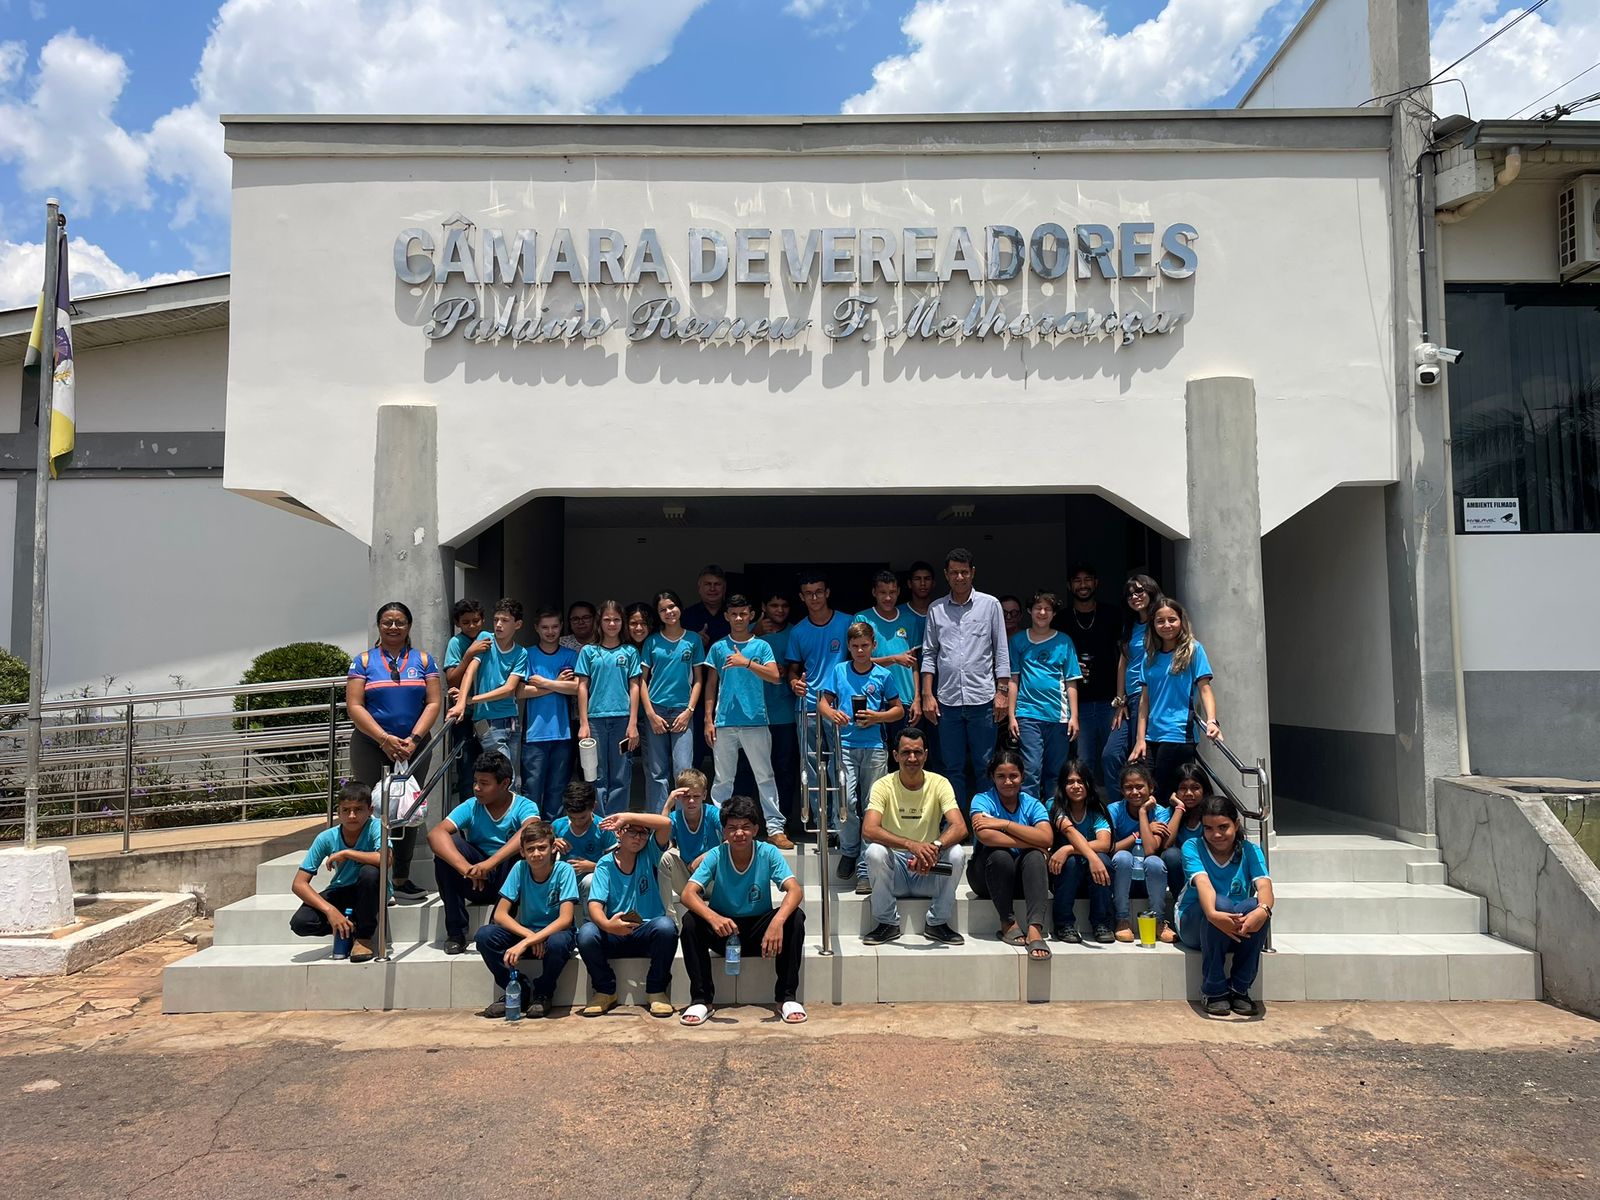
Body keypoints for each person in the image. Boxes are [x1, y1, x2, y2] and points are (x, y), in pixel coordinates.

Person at [678, 795, 808, 1026]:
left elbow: (795, 891)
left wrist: (776, 923)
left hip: (761, 930)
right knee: (690, 921)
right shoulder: (716, 855)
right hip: (724, 929)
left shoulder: (768, 852)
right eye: (733, 828)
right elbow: (688, 894)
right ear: (724, 832)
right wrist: (713, 917)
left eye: (746, 827)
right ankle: (701, 1000)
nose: (739, 833)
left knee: (795, 917)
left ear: (756, 829)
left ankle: (787, 998)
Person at [345, 600, 440, 903]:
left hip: (414, 744)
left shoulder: (424, 660)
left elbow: (434, 702)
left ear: (409, 626)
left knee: (407, 809)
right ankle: (368, 878)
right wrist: (384, 738)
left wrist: (413, 737)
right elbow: (355, 705)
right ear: (379, 626)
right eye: (387, 622)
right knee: (368, 807)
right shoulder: (362, 661)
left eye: (400, 622)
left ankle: (400, 877)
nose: (394, 627)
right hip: (371, 744)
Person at [920, 548, 1011, 814]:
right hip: (947, 702)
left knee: (985, 766)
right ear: (946, 576)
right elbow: (929, 653)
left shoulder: (990, 604)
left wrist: (1002, 692)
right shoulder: (936, 609)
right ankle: (956, 825)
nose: (959, 577)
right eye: (954, 573)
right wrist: (927, 694)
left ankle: (984, 824)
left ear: (972, 573)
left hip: (983, 700)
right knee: (952, 767)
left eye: (964, 572)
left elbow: (1001, 651)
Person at [861, 726, 970, 946]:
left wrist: (934, 848)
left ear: (926, 755)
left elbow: (960, 827)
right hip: (896, 872)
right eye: (906, 752)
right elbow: (869, 829)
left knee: (957, 853)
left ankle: (937, 923)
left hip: (929, 869)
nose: (912, 758)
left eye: (918, 752)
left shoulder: (939, 783)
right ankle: (887, 923)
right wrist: (912, 845)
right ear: (895, 755)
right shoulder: (883, 785)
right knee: (874, 852)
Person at [819, 620, 904, 894]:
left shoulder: (883, 675)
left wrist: (877, 717)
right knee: (846, 799)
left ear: (873, 646)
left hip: (874, 747)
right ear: (848, 647)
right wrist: (832, 714)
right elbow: (823, 702)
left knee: (872, 805)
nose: (859, 651)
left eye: (864, 646)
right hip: (844, 744)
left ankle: (865, 868)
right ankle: (850, 849)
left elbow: (898, 710)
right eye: (854, 646)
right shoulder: (840, 670)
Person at [428, 751, 539, 954]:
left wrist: (491, 863)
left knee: (522, 848)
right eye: (475, 782)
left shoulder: (524, 805)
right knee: (447, 850)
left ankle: (498, 923)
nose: (477, 788)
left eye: (484, 783)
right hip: (476, 880)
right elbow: (435, 834)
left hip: (508, 879)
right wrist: (468, 869)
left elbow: (531, 830)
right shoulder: (472, 806)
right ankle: (456, 932)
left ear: (505, 783)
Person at [704, 594, 792, 848]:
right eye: (734, 614)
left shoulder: (761, 646)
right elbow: (711, 686)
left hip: (756, 720)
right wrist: (708, 720)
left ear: (751, 615)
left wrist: (747, 663)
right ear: (727, 616)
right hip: (724, 722)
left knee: (765, 775)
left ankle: (775, 829)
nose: (739, 618)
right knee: (723, 780)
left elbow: (776, 676)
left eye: (744, 614)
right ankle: (720, 829)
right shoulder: (719, 647)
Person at [1175, 793, 1274, 1016]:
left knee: (1256, 906)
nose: (1216, 834)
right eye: (1209, 828)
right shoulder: (1192, 846)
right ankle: (1213, 990)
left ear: (1236, 825)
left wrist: (1263, 910)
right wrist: (1212, 913)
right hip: (1197, 922)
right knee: (1221, 903)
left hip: (1236, 926)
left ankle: (1239, 988)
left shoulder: (1250, 850)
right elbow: (1204, 884)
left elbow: (1266, 888)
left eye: (1223, 827)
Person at [473, 818, 579, 1019]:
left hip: (556, 933)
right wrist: (530, 936)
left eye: (542, 848)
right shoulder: (519, 868)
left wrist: (531, 940)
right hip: (528, 932)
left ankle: (543, 992)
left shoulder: (564, 870)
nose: (536, 854)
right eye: (530, 849)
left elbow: (565, 919)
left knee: (558, 942)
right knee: (484, 935)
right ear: (522, 852)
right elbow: (500, 915)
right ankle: (517, 988)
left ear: (552, 848)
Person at [577, 810, 677, 1018]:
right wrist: (607, 925)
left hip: (645, 929)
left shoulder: (650, 852)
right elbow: (595, 905)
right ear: (618, 834)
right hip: (615, 929)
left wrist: (627, 817)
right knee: (586, 933)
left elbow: (665, 823)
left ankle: (656, 990)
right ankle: (605, 990)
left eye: (643, 833)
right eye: (632, 832)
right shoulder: (605, 863)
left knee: (667, 927)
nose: (638, 838)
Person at [967, 747, 1054, 960]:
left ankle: (1035, 928)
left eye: (1013, 776)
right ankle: (1007, 921)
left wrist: (1003, 823)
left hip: (1021, 879)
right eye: (1001, 776)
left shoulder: (1032, 803)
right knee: (1000, 855)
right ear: (992, 777)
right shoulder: (982, 800)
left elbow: (1047, 839)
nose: (1008, 782)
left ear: (1022, 776)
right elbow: (986, 836)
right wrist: (1029, 840)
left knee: (1035, 857)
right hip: (986, 877)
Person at [1132, 595, 1220, 802]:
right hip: (1153, 736)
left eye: (1172, 619)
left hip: (1179, 734)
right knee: (1149, 793)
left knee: (1167, 794)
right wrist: (1140, 739)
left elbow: (1205, 689)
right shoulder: (1149, 655)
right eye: (1160, 621)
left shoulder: (1193, 650)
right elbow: (1144, 701)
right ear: (1153, 624)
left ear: (1181, 621)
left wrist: (1212, 721)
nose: (1166, 625)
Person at [289, 782, 385, 962]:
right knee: (301, 923)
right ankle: (348, 928)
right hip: (341, 890)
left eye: (358, 809)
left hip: (370, 890)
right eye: (346, 810)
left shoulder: (376, 827)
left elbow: (386, 860)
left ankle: (364, 937)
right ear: (338, 811)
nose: (352, 815)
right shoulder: (326, 837)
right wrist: (330, 911)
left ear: (370, 810)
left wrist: (347, 853)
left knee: (370, 872)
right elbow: (299, 884)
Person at [787, 571, 852, 831]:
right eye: (808, 593)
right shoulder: (798, 631)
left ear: (827, 593)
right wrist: (793, 682)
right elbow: (792, 668)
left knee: (841, 763)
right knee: (811, 766)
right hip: (808, 706)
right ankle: (821, 821)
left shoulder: (848, 622)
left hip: (839, 704)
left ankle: (840, 823)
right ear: (802, 597)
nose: (814, 597)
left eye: (818, 592)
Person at [1007, 591, 1082, 800]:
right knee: (1031, 770)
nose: (1042, 612)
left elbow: (1071, 681)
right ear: (1030, 611)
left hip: (1058, 716)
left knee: (1056, 773)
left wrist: (1074, 717)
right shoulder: (1019, 641)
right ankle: (1031, 821)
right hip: (1028, 714)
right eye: (1038, 608)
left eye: (1048, 609)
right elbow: (1014, 679)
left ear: (1054, 613)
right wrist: (1012, 716)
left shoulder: (1064, 641)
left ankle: (1054, 820)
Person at [575, 599, 643, 817]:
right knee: (596, 773)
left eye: (616, 619)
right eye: (607, 619)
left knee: (621, 775)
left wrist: (633, 724)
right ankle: (600, 820)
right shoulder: (588, 651)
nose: (611, 624)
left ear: (622, 622)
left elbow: (635, 687)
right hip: (595, 721)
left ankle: (616, 822)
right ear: (599, 622)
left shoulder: (630, 651)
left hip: (622, 720)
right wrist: (583, 723)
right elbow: (582, 687)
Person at [640, 590, 706, 814]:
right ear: (658, 614)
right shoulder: (652, 642)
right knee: (657, 771)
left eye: (672, 607)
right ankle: (660, 822)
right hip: (656, 710)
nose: (669, 612)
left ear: (680, 608)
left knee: (683, 771)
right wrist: (650, 715)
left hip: (682, 711)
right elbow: (642, 681)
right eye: (662, 609)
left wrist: (689, 711)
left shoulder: (693, 640)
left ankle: (683, 823)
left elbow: (698, 679)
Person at [447, 598, 527, 777]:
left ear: (518, 624)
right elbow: (469, 672)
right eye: (496, 619)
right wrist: (461, 703)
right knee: (504, 775)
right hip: (487, 721)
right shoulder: (485, 638)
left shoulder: (521, 652)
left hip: (512, 719)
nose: (499, 624)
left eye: (505, 621)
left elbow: (509, 689)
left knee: (513, 776)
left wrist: (470, 700)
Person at [1061, 563, 1121, 788]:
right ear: (1069, 585)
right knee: (1083, 761)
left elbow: (1125, 655)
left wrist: (1121, 696)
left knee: (1113, 758)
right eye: (1077, 580)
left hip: (1110, 700)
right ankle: (1086, 813)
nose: (1083, 585)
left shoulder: (1113, 614)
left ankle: (1116, 810)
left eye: (1088, 579)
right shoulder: (1061, 619)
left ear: (1096, 583)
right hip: (1079, 703)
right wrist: (1070, 664)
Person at [518, 607, 580, 820]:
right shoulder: (527, 655)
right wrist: (559, 684)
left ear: (561, 627)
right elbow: (520, 691)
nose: (550, 631)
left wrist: (545, 682)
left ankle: (552, 841)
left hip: (563, 733)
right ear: (536, 628)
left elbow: (577, 689)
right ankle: (530, 837)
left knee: (557, 791)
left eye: (555, 626)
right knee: (531, 791)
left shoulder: (570, 655)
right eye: (545, 627)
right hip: (534, 734)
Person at [1102, 573, 1158, 800]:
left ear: (1151, 591)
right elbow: (1123, 662)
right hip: (1130, 698)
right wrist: (1120, 700)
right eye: (1129, 594)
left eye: (1139, 591)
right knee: (1111, 754)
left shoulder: (1161, 620)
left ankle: (1146, 811)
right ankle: (1120, 809)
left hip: (1153, 697)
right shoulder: (1130, 625)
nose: (1135, 597)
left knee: (1142, 758)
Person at [853, 568, 923, 748]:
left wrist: (917, 699)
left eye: (892, 592)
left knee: (906, 753)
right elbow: (859, 661)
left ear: (899, 591)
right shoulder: (863, 618)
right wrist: (894, 659)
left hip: (905, 698)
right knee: (878, 755)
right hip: (874, 698)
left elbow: (914, 664)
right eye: (883, 592)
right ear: (874, 592)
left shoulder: (909, 619)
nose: (888, 598)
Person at [1047, 760, 1114, 943]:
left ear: (1088, 784)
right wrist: (1089, 856)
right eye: (1070, 782)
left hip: (1093, 874)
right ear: (1062, 785)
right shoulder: (1054, 805)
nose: (1076, 786)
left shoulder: (1097, 808)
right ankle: (1063, 924)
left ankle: (1102, 923)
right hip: (1063, 873)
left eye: (1080, 781)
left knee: (1103, 860)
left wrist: (1068, 848)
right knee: (1071, 862)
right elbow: (1068, 830)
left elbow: (1104, 844)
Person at [1107, 763, 1174, 943]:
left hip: (1150, 878)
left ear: (1150, 788)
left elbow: (1151, 849)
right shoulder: (1114, 810)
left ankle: (1159, 921)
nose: (1134, 792)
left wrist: (1144, 813)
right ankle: (1122, 919)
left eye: (1139, 787)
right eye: (1128, 788)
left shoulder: (1160, 812)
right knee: (1122, 857)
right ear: (1122, 790)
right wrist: (1138, 834)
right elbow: (1110, 848)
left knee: (1154, 861)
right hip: (1122, 876)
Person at [754, 590, 802, 837]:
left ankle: (782, 822)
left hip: (784, 712)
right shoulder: (749, 629)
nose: (780, 610)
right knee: (753, 771)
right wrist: (756, 633)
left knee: (784, 769)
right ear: (764, 606)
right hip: (754, 715)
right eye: (774, 604)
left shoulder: (795, 631)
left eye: (784, 604)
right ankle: (751, 823)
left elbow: (800, 665)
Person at [657, 768, 722, 914]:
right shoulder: (674, 817)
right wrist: (667, 805)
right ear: (678, 797)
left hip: (713, 878)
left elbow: (731, 840)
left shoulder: (712, 813)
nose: (691, 801)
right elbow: (659, 842)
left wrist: (705, 857)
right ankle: (668, 917)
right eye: (686, 796)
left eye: (696, 796)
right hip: (688, 877)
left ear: (704, 795)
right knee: (664, 858)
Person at [442, 598, 486, 802]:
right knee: (467, 770)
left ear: (483, 620)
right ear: (457, 622)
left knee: (492, 767)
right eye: (466, 622)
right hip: (465, 717)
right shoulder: (456, 643)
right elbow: (451, 678)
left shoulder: (489, 639)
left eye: (475, 621)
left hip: (488, 713)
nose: (471, 626)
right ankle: (468, 822)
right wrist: (468, 655)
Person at [553, 779, 616, 916]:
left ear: (593, 807)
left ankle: (591, 923)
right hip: (564, 884)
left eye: (582, 818)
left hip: (593, 884)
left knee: (590, 881)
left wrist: (593, 866)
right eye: (572, 817)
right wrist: (551, 844)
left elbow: (618, 865)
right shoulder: (557, 826)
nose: (577, 822)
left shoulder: (604, 828)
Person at [1159, 762, 1212, 907]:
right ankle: (1181, 902)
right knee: (1171, 855)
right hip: (1183, 876)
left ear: (1204, 790)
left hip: (1209, 872)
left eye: (1195, 788)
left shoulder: (1212, 812)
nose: (1189, 793)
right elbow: (1166, 844)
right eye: (1183, 788)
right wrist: (1179, 808)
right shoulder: (1169, 813)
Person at [681, 564, 731, 648]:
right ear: (699, 588)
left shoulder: (735, 614)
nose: (712, 588)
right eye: (707, 584)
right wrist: (694, 641)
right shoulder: (687, 615)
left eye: (717, 584)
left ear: (724, 588)